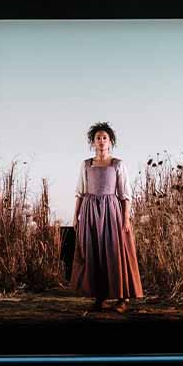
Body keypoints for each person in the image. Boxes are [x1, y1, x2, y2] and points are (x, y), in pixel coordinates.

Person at [69, 121, 143, 312]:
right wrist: (76, 216)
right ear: (93, 142)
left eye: (104, 138)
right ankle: (99, 297)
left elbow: (125, 195)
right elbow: (80, 192)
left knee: (115, 252)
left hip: (111, 212)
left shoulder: (118, 164)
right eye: (98, 138)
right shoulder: (86, 165)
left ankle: (122, 298)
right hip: (90, 211)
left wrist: (126, 219)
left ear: (110, 142)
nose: (101, 141)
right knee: (94, 253)